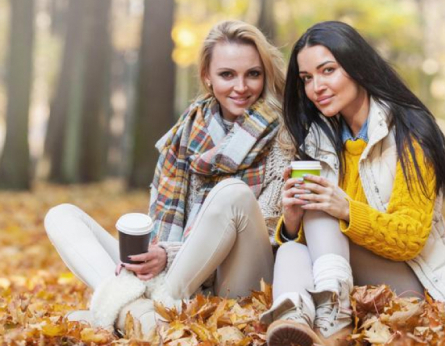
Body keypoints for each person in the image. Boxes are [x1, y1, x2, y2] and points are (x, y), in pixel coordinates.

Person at [44, 20, 291, 337]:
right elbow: (160, 227)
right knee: (61, 215)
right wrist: (152, 256)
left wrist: (170, 255)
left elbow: (272, 230)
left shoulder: (283, 136)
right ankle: (139, 313)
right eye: (227, 74)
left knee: (232, 194)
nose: (241, 87)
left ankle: (150, 312)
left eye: (252, 74)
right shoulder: (183, 137)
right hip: (175, 273)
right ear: (207, 77)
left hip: (239, 279)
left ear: (265, 75)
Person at [260, 21, 445, 346]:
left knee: (325, 206)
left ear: (357, 66)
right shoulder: (319, 141)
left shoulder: (411, 132)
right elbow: (312, 239)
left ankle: (333, 319)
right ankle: (294, 324)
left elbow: (411, 238)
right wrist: (290, 222)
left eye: (327, 70)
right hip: (345, 278)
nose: (316, 87)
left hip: (413, 283)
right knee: (291, 248)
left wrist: (344, 207)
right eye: (307, 79)